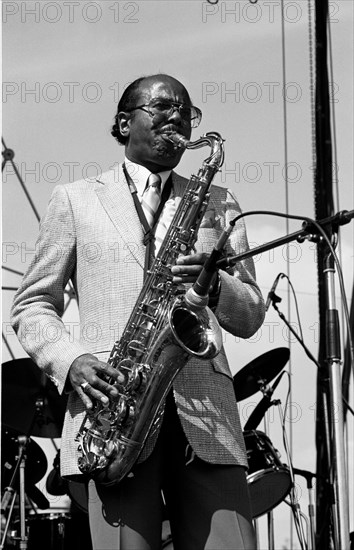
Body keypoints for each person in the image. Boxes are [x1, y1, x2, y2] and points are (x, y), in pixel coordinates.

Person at [11, 74, 265, 550]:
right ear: (125, 123)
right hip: (112, 413)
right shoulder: (75, 199)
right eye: (163, 107)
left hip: (208, 417)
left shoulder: (219, 201)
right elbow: (32, 305)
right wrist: (71, 361)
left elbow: (250, 314)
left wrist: (213, 288)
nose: (178, 118)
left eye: (186, 111)